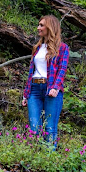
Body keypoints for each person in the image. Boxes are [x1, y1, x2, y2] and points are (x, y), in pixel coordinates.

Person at [22, 15, 69, 149]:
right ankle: (36, 158)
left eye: (42, 25)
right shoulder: (37, 48)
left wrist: (56, 87)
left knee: (49, 128)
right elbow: (31, 72)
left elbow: (62, 69)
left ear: (50, 27)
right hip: (35, 89)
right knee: (34, 128)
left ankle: (49, 159)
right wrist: (26, 94)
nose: (38, 28)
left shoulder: (63, 48)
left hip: (51, 89)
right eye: (39, 25)